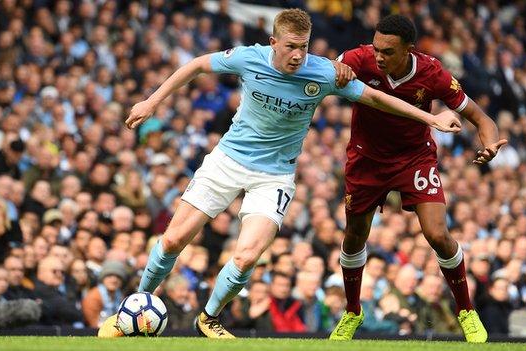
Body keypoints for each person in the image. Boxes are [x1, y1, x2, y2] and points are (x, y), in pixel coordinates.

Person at [99, 8, 461, 339]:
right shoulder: (248, 58)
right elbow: (195, 65)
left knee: (247, 256)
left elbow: (378, 98)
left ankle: (208, 318)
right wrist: (151, 101)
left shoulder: (322, 72)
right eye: (290, 47)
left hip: (274, 176)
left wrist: (432, 118)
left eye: (303, 47)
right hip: (227, 161)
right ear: (273, 42)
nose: (297, 55)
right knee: (174, 240)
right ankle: (135, 305)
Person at [329, 15, 507, 342]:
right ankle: (353, 311)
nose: (379, 56)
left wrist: (489, 143)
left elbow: (481, 118)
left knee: (438, 234)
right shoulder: (360, 58)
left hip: (414, 158)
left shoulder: (432, 73)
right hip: (365, 159)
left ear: (408, 50)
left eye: (388, 51)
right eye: (377, 47)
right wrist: (335, 68)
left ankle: (466, 310)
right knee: (354, 236)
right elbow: (328, 68)